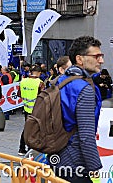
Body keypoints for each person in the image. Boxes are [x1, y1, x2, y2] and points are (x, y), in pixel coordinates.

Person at [53, 36, 104, 182]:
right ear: (80, 59)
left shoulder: (61, 80)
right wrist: (94, 167)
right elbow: (86, 135)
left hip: (57, 154)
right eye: (96, 56)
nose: (101, 61)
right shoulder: (84, 89)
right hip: (75, 161)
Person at [17, 65, 45, 156]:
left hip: (26, 108)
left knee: (26, 128)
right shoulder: (40, 83)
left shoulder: (23, 81)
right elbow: (43, 97)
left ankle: (21, 148)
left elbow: (19, 94)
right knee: (35, 129)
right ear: (39, 73)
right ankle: (30, 149)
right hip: (37, 110)